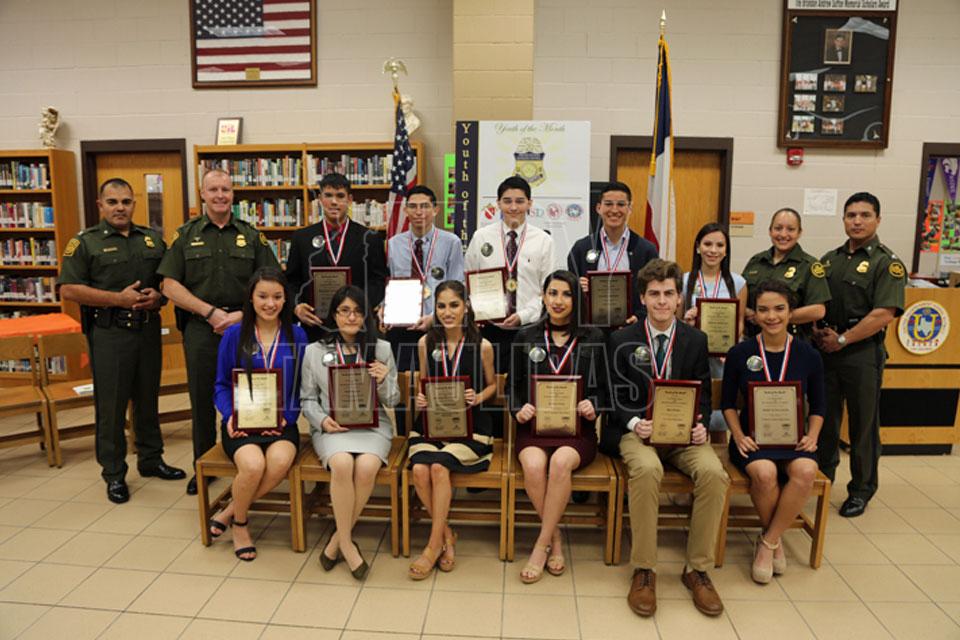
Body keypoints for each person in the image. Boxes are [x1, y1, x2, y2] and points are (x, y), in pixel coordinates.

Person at [605, 259, 728, 618]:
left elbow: (702, 393)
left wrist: (701, 424)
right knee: (646, 470)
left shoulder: (695, 339)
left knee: (714, 473)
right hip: (638, 433)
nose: (661, 301)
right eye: (654, 294)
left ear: (678, 299)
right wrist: (634, 423)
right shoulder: (621, 339)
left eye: (669, 293)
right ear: (642, 298)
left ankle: (697, 569)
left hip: (683, 435)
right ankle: (645, 570)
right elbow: (613, 395)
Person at [59, 178, 185, 503]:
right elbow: (69, 289)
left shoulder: (151, 240)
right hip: (110, 334)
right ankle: (114, 473)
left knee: (148, 399)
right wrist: (118, 299)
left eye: (126, 202)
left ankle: (151, 459)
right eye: (113, 202)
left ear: (133, 204)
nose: (120, 208)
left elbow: (167, 281)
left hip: (147, 331)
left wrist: (158, 297)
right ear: (100, 205)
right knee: (111, 406)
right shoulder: (86, 243)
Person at [159, 168, 280, 495]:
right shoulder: (185, 235)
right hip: (202, 328)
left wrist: (242, 314)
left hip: (245, 328)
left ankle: (250, 460)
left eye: (225, 189)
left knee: (250, 393)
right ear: (202, 194)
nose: (220, 195)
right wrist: (210, 312)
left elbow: (273, 281)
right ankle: (203, 466)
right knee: (201, 400)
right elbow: (169, 284)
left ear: (233, 194)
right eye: (213, 190)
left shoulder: (251, 236)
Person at [721, 280, 824, 583]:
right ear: (755, 314)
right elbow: (727, 404)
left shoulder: (809, 355)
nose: (771, 316)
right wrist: (738, 435)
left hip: (795, 440)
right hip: (752, 439)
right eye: (763, 310)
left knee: (805, 470)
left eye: (779, 309)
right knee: (764, 473)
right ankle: (774, 542)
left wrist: (813, 435)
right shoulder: (741, 352)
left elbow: (820, 406)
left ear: (791, 312)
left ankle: (768, 542)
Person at [511, 270, 609, 583]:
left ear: (576, 299)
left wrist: (594, 405)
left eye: (566, 294)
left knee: (560, 463)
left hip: (577, 432)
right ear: (543, 297)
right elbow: (513, 387)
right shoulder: (526, 336)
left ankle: (540, 545)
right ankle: (554, 538)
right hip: (534, 429)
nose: (558, 300)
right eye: (552, 293)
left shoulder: (593, 337)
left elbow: (605, 389)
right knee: (533, 465)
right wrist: (518, 409)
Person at [814, 192, 905, 518]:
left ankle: (861, 490)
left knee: (863, 424)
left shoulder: (887, 263)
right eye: (851, 215)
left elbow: (884, 313)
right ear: (843, 219)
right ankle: (822, 479)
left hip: (862, 353)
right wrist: (820, 332)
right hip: (827, 350)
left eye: (865, 215)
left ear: (877, 220)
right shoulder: (829, 259)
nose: (857, 221)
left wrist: (843, 339)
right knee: (824, 420)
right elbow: (817, 301)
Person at [300, 285, 399, 579]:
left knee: (366, 467)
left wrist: (384, 380)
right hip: (332, 427)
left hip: (373, 426)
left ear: (366, 315)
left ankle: (335, 542)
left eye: (357, 311)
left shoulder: (382, 349)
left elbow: (393, 400)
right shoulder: (314, 351)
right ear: (334, 315)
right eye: (344, 311)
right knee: (342, 464)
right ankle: (346, 543)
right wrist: (322, 421)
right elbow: (307, 399)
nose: (351, 317)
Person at [210, 268, 308, 560]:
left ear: (286, 299)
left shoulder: (297, 335)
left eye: (277, 297)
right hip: (240, 422)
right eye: (263, 296)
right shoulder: (234, 335)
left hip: (282, 422)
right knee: (253, 466)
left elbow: (303, 386)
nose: (270, 303)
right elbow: (221, 384)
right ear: (251, 299)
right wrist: (230, 416)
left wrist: (287, 417)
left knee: (278, 462)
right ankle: (241, 525)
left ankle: (229, 511)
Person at [407, 280, 497, 579]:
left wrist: (478, 397)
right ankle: (446, 535)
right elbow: (422, 382)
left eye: (454, 305)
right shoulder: (425, 343)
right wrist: (420, 397)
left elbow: (493, 386)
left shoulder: (482, 345)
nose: (447, 312)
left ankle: (433, 546)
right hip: (432, 424)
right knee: (420, 470)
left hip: (471, 427)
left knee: (437, 468)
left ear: (466, 307)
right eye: (441, 306)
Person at [464, 176, 554, 373]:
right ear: (498, 203)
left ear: (529, 203)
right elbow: (468, 281)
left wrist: (522, 316)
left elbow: (547, 290)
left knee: (523, 384)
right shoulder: (481, 237)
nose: (513, 207)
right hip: (488, 328)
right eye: (507, 201)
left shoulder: (543, 240)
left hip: (528, 327)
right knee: (489, 382)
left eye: (520, 201)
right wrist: (479, 311)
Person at [286, 172, 388, 342]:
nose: (334, 202)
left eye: (340, 196)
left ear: (350, 200)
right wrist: (296, 307)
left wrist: (358, 307)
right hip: (315, 327)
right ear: (320, 199)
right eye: (328, 195)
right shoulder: (301, 238)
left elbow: (378, 281)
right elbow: (291, 281)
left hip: (357, 326)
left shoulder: (370, 238)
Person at [385, 185, 465, 372]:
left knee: (436, 377)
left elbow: (457, 286)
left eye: (425, 206)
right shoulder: (394, 244)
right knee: (404, 377)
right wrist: (384, 308)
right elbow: (389, 283)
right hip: (403, 326)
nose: (419, 212)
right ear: (405, 210)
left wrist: (433, 317)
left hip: (439, 324)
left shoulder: (451, 242)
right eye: (413, 206)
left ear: (436, 209)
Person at [681, 223, 747, 432]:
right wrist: (686, 321)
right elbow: (677, 320)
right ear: (697, 247)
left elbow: (740, 321)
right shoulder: (684, 280)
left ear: (726, 250)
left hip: (723, 359)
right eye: (707, 244)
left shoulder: (738, 282)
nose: (713, 250)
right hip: (692, 355)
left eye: (720, 245)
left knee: (720, 417)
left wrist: (730, 348)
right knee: (695, 413)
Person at [567, 181, 658, 326]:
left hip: (632, 328)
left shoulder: (646, 250)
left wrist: (639, 317)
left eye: (621, 204)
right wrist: (576, 287)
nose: (614, 210)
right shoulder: (581, 249)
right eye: (608, 204)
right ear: (598, 208)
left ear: (629, 208)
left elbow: (654, 291)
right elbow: (569, 292)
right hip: (591, 330)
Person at [741, 208, 830, 341]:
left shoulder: (809, 265)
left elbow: (818, 310)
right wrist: (749, 312)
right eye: (778, 228)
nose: (783, 234)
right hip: (754, 339)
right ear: (770, 231)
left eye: (790, 229)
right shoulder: (756, 261)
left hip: (793, 341)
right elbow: (740, 298)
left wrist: (775, 317)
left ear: (799, 233)